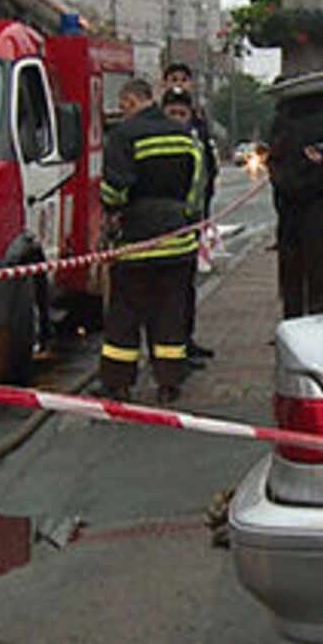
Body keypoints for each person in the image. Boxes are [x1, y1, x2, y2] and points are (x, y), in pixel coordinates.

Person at [97, 77, 203, 404]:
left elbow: (115, 188)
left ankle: (118, 383)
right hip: (178, 238)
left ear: (129, 101)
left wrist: (111, 210)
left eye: (122, 106)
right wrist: (186, 216)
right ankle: (169, 382)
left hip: (137, 240)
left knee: (125, 314)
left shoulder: (123, 136)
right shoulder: (183, 135)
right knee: (171, 310)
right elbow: (198, 183)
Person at [162, 62, 218, 364]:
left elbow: (207, 169)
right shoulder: (158, 124)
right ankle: (172, 350)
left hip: (193, 218)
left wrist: (204, 210)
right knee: (168, 288)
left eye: (184, 79)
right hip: (167, 220)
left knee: (186, 285)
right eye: (173, 80)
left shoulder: (199, 123)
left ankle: (187, 340)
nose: (178, 84)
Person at [267, 112, 323, 319]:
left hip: (310, 206)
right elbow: (274, 162)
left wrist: (319, 168)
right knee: (292, 272)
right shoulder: (282, 125)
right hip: (291, 207)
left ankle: (318, 319)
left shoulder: (322, 124)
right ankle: (294, 319)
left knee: (314, 270)